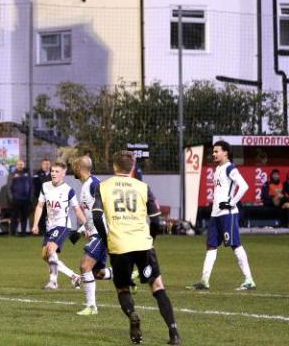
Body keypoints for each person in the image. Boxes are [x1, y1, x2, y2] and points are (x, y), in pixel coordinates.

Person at [94, 151, 180, 345]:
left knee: (123, 288)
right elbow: (156, 220)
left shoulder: (102, 187)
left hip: (119, 244)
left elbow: (97, 217)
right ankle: (174, 332)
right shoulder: (143, 187)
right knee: (157, 286)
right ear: (132, 167)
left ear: (114, 167)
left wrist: (106, 239)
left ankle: (132, 313)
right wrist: (152, 239)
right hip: (143, 243)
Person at [187, 140, 255, 291]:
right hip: (215, 214)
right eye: (213, 152)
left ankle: (249, 280)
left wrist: (232, 202)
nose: (214, 154)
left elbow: (244, 186)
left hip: (228, 214)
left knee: (235, 244)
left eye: (217, 151)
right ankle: (204, 281)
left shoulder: (230, 168)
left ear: (225, 152)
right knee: (211, 246)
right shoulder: (218, 169)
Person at [31, 160, 84, 289]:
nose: (53, 174)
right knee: (46, 256)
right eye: (52, 171)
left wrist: (87, 225)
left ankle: (53, 282)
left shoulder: (68, 191)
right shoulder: (45, 186)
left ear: (63, 174)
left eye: (57, 171)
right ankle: (74, 276)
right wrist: (35, 224)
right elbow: (40, 206)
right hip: (50, 226)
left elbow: (77, 209)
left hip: (63, 225)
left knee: (50, 250)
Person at [72, 155, 114, 315]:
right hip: (95, 232)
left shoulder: (94, 184)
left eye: (74, 166)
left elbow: (103, 210)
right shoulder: (86, 186)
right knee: (96, 273)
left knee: (84, 266)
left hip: (102, 233)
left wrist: (103, 232)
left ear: (79, 168)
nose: (73, 169)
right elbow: (91, 214)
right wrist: (82, 230)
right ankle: (126, 273)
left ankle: (91, 307)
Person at [9, 159, 32, 236]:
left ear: (24, 165)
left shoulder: (27, 174)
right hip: (15, 199)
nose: (20, 166)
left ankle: (23, 233)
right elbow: (9, 187)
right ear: (16, 165)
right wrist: (11, 197)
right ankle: (13, 232)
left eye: (22, 164)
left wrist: (30, 197)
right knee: (14, 217)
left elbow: (31, 186)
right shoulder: (12, 174)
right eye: (19, 164)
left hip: (25, 200)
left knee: (24, 217)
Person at [32, 157, 52, 234]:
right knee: (41, 215)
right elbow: (34, 187)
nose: (46, 166)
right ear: (41, 165)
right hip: (39, 198)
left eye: (48, 164)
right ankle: (41, 231)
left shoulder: (53, 174)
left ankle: (50, 231)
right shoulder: (37, 174)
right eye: (44, 164)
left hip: (51, 199)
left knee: (51, 216)